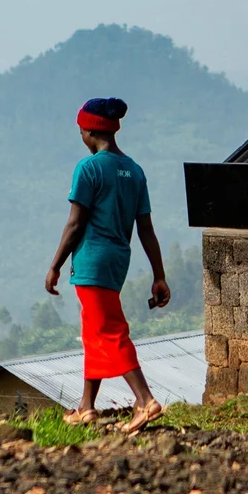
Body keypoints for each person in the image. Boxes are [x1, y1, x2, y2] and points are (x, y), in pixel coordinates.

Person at [45, 97, 170, 433]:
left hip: (92, 260)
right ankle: (86, 406)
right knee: (93, 331)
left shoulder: (89, 168)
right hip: (118, 261)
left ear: (89, 131)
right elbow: (146, 229)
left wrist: (55, 265)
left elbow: (75, 224)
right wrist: (159, 275)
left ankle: (145, 401)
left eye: (80, 131)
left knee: (110, 331)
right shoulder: (135, 171)